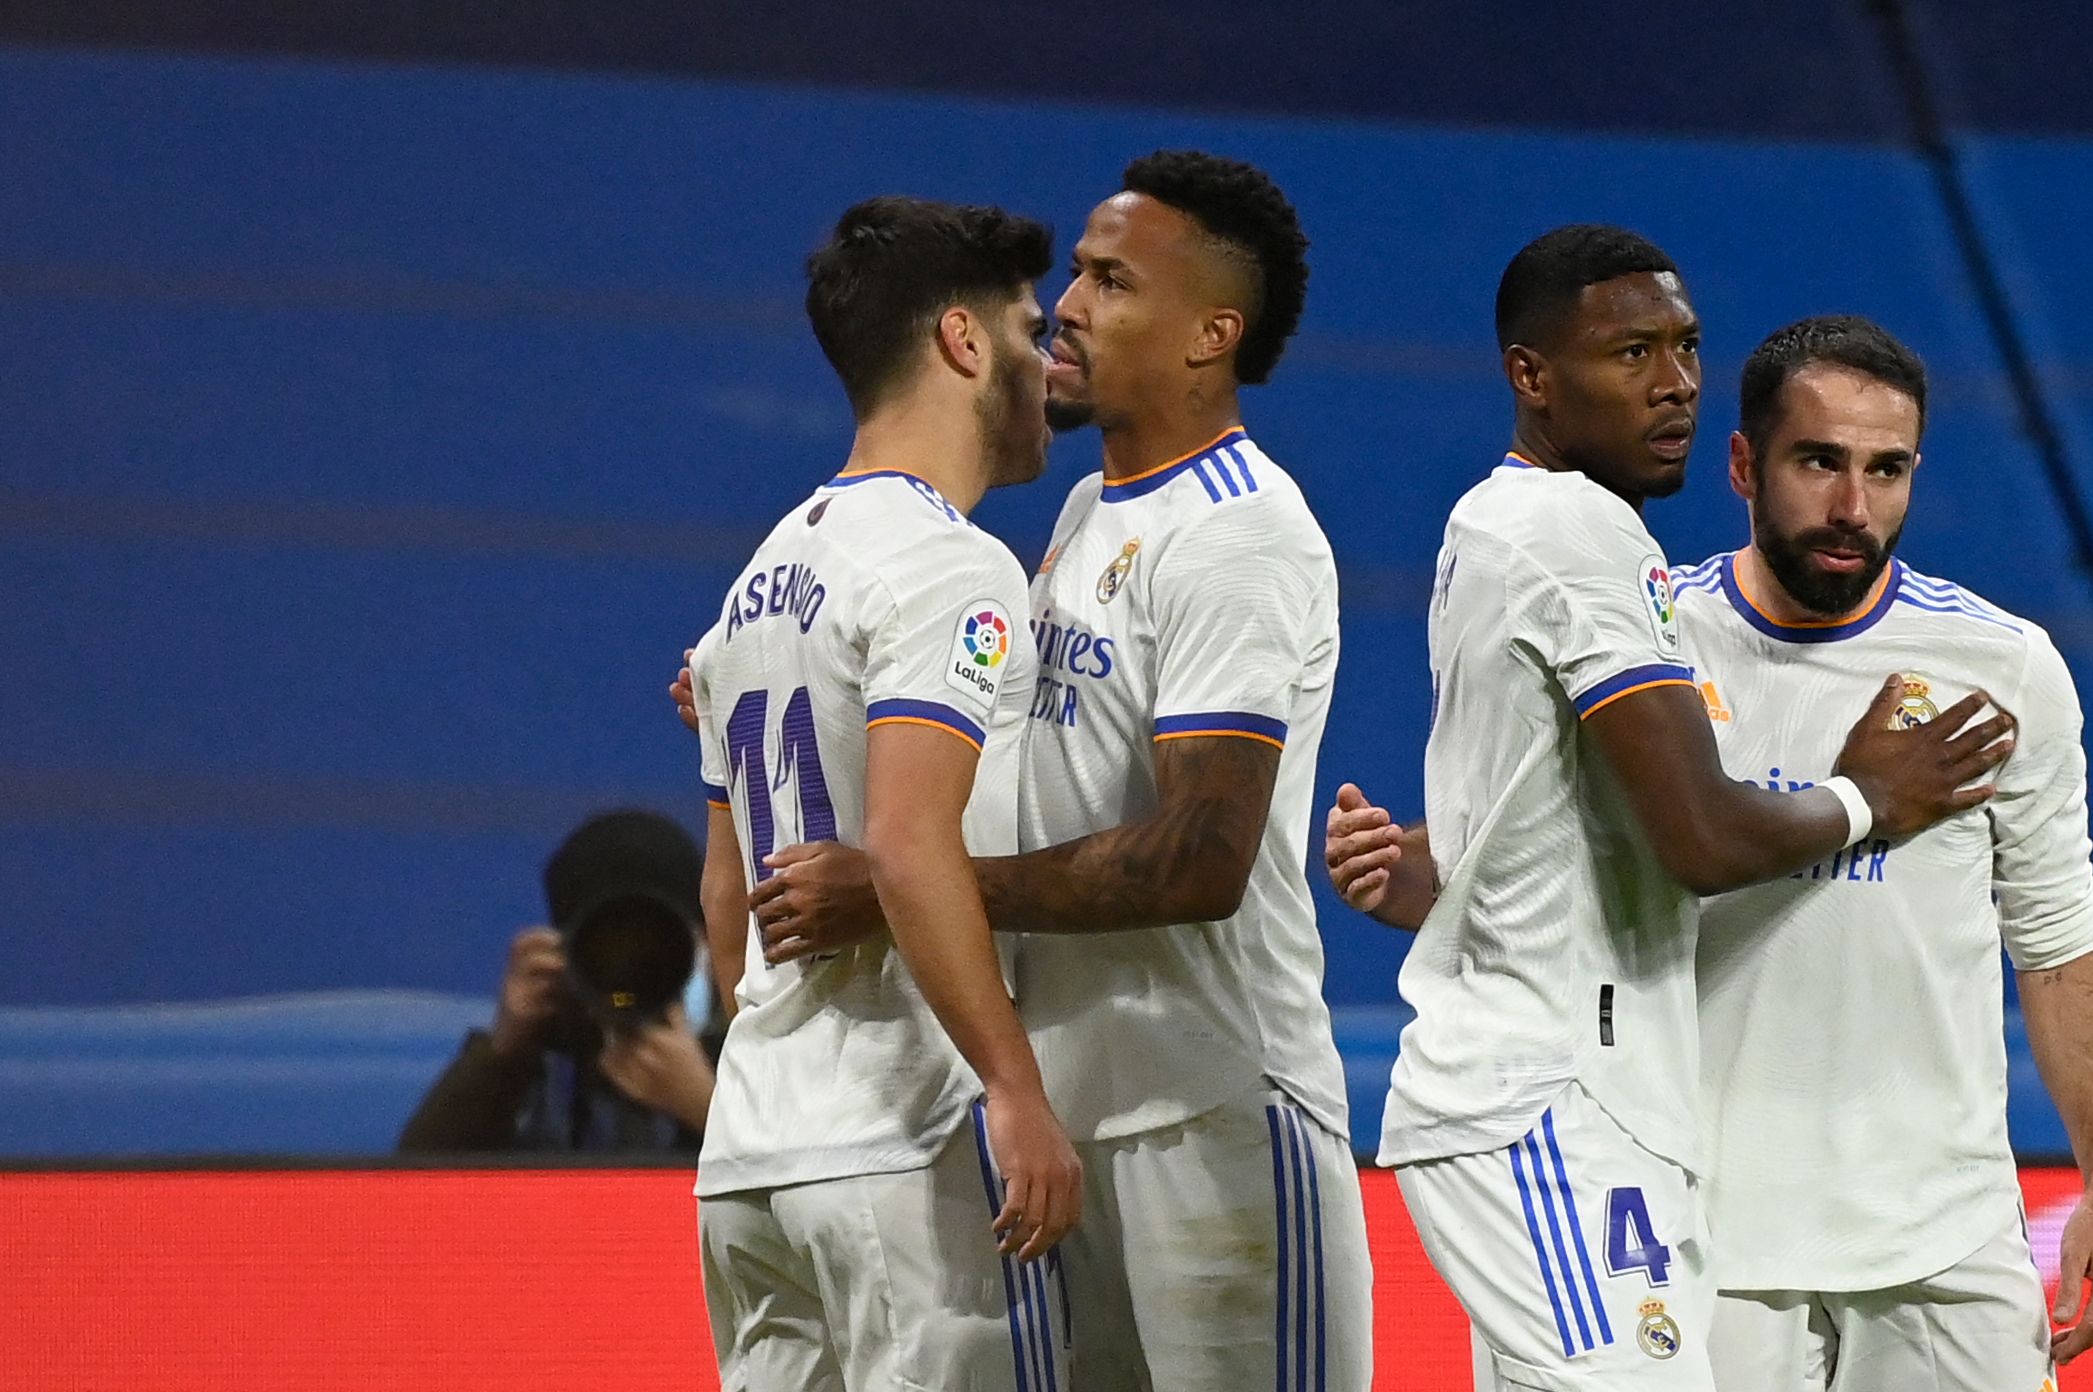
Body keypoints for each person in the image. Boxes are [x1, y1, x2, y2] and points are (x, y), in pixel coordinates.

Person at [1330, 315, 2093, 1387]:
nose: (1853, 507)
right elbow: (1536, 860)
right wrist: (1427, 880)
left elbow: (2059, 944)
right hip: (1702, 1240)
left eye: (1887, 469)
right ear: (1744, 465)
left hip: (1946, 1240)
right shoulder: (1646, 637)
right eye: (1819, 462)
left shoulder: (2002, 666)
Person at [685, 151, 1373, 1389]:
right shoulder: (1074, 520)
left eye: (1112, 281)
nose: (1067, 307)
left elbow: (1203, 857)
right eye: (1074, 278)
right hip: (1064, 1117)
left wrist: (901, 886)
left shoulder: (1241, 529)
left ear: (1212, 333)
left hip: (1211, 1103)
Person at [689, 195, 1081, 1392]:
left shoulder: (755, 580)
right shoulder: (951, 565)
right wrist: (1014, 1086)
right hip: (903, 1150)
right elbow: (909, 844)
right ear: (963, 341)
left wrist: (774, 1061)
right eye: (1029, 332)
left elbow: (724, 901)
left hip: (751, 1159)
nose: (1049, 364)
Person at [399, 809, 722, 1153]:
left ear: (706, 940)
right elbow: (418, 1173)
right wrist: (502, 1055)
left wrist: (705, 1104)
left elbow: (769, 1179)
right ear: (567, 951)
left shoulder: (749, 1043)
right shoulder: (544, 1052)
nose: (634, 967)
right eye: (609, 948)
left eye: (657, 945)